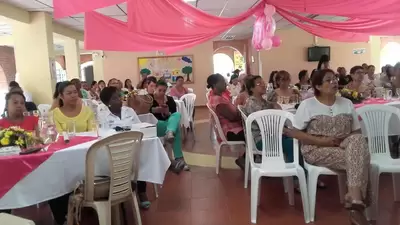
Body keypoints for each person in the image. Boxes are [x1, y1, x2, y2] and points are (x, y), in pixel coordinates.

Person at [286, 69, 371, 225]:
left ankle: (354, 199)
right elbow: (295, 133)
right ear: (318, 86)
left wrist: (347, 143)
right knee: (362, 159)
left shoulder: (346, 103)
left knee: (358, 141)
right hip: (316, 149)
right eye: (329, 80)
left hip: (345, 145)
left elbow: (356, 131)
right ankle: (356, 204)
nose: (334, 82)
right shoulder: (307, 105)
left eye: (335, 79)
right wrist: (322, 142)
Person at [207, 74, 246, 169]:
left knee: (254, 131)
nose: (225, 83)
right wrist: (242, 114)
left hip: (231, 128)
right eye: (222, 82)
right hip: (230, 132)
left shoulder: (219, 97)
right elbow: (232, 117)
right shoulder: (218, 100)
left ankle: (249, 158)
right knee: (255, 133)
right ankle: (246, 158)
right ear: (215, 85)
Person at [151, 80, 189, 171]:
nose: (162, 93)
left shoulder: (170, 100)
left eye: (164, 91)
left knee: (177, 115)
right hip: (155, 125)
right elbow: (145, 114)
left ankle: (170, 131)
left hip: (167, 123)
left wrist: (167, 112)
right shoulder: (149, 99)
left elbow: (173, 116)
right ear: (155, 88)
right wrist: (155, 110)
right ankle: (179, 158)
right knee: (176, 129)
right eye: (159, 90)